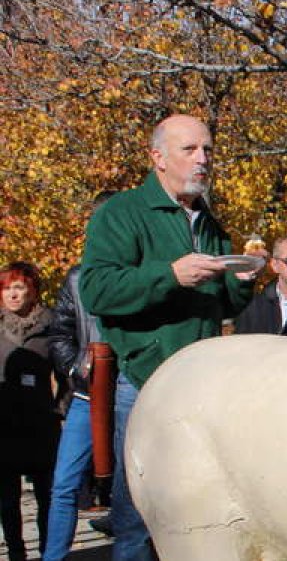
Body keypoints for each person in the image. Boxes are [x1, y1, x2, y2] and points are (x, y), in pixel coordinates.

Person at [80, 114, 261, 561]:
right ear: (157, 157)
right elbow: (97, 290)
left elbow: (225, 305)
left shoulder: (210, 223)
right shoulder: (121, 213)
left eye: (208, 150)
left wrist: (242, 279)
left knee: (202, 509)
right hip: (144, 382)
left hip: (201, 387)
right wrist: (169, 275)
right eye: (190, 150)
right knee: (138, 518)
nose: (203, 160)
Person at [43, 192, 116, 561]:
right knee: (65, 484)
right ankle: (54, 556)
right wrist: (75, 368)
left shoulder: (146, 273)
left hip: (132, 393)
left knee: (135, 488)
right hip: (87, 398)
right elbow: (59, 333)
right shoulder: (77, 278)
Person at [0, 262, 59, 561]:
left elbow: (66, 376)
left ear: (33, 290)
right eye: (7, 287)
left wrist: (59, 410)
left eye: (19, 287)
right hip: (3, 426)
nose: (13, 294)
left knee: (48, 498)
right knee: (7, 501)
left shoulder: (51, 325)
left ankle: (49, 552)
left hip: (41, 426)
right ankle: (15, 554)